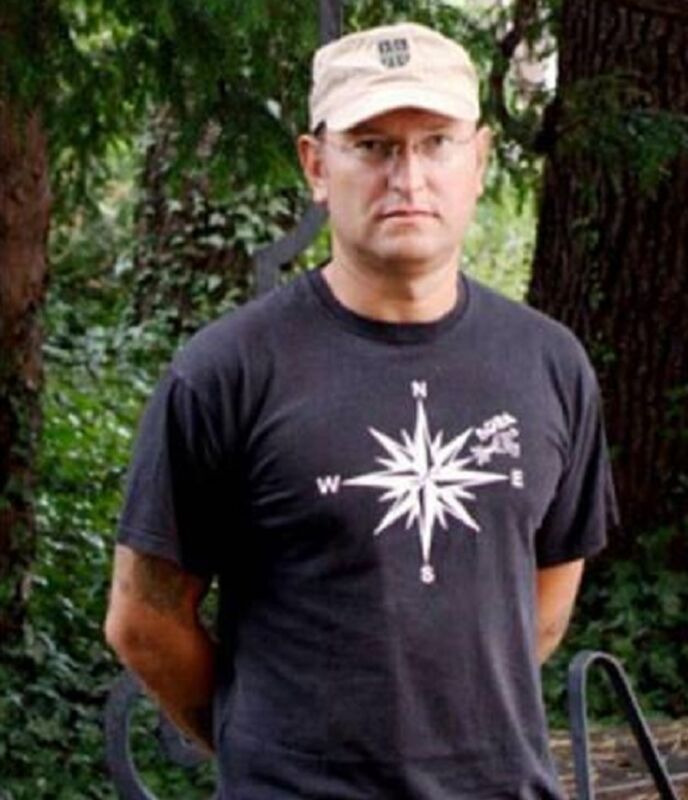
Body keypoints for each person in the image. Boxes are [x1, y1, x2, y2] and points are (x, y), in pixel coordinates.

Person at [104, 21, 617, 798]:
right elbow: (143, 622)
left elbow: (543, 604)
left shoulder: (549, 365)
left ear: (479, 159)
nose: (408, 177)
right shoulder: (226, 373)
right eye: (373, 146)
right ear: (317, 165)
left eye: (436, 143)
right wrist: (262, 747)